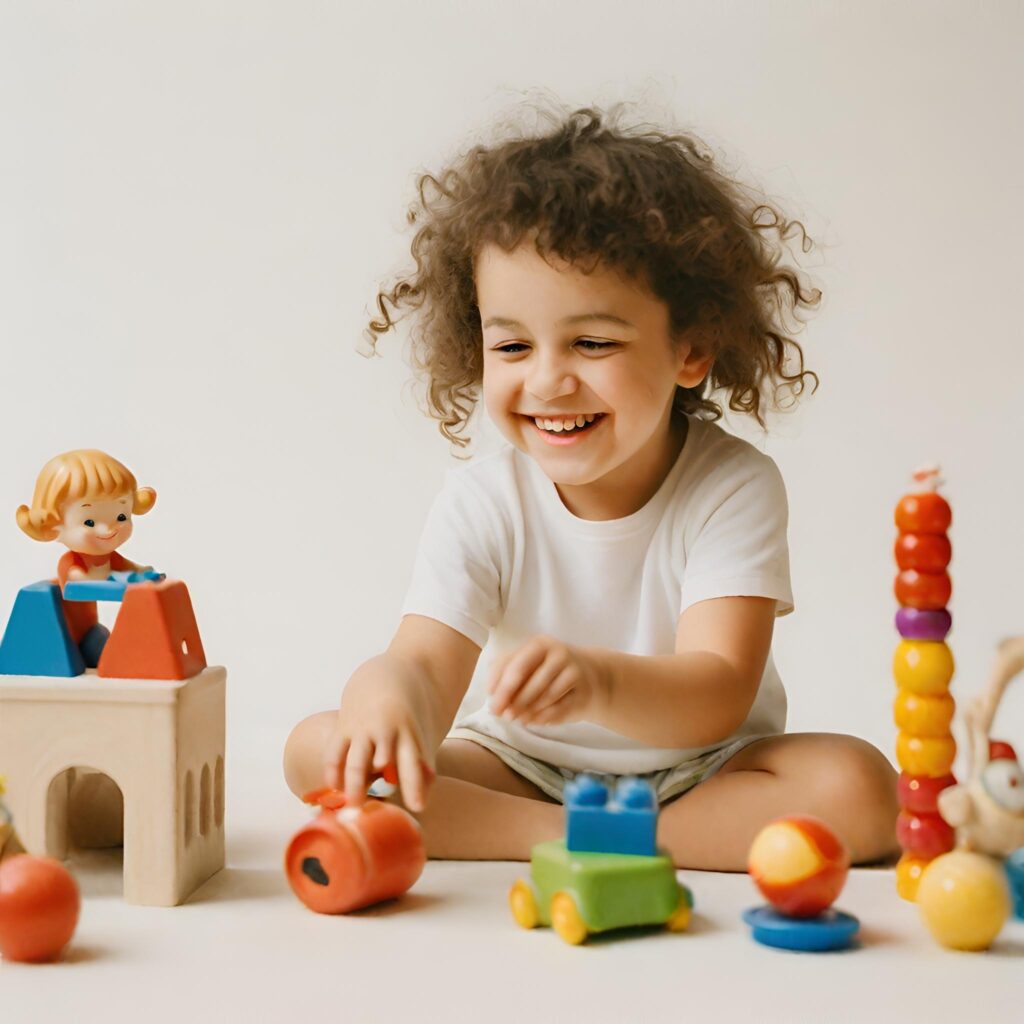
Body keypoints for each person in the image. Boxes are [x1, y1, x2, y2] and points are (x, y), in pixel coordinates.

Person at [283, 103, 898, 870]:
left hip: (703, 774)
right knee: (318, 749)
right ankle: (569, 839)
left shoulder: (731, 485)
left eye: (593, 342)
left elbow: (719, 690)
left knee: (861, 788)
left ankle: (559, 838)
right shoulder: (484, 500)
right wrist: (385, 695)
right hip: (523, 773)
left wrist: (599, 683)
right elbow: (421, 668)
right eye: (511, 344)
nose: (547, 380)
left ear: (692, 349)